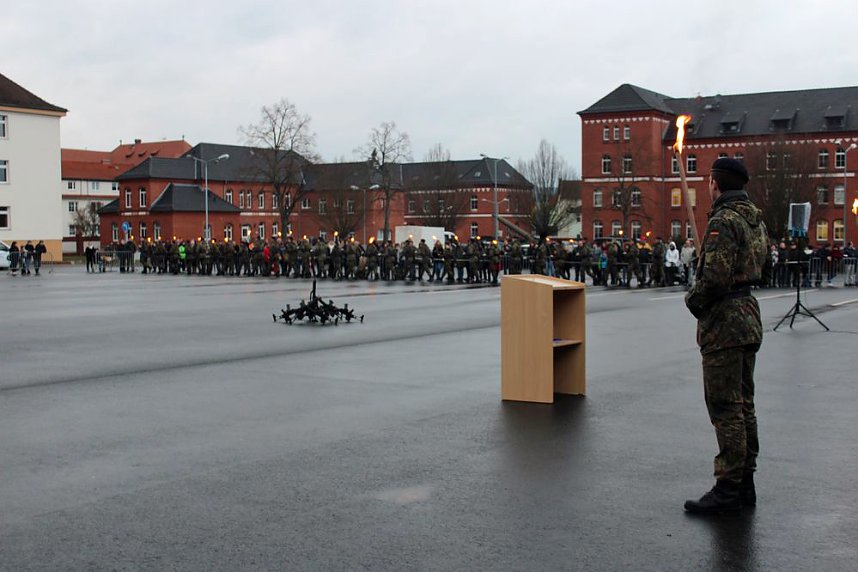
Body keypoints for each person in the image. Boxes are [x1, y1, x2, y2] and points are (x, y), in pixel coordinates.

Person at [684, 158, 770, 514]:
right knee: (744, 404)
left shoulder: (723, 220)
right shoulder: (755, 219)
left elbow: (715, 278)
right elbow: (765, 267)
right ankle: (745, 481)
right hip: (748, 314)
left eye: (708, 181)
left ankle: (728, 488)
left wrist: (693, 299)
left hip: (725, 322)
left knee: (725, 407)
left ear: (716, 184)